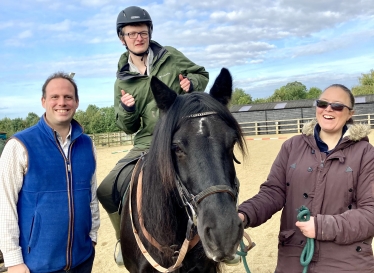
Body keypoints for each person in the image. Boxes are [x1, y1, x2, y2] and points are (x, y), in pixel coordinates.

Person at [96, 5, 209, 266]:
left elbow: (201, 74)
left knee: (212, 175)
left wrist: (192, 85)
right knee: (104, 190)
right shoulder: (122, 81)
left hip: (180, 136)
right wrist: (127, 110)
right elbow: (128, 127)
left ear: (149, 33)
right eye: (132, 33)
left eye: (143, 33)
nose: (139, 37)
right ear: (122, 38)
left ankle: (221, 238)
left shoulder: (171, 56)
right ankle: (123, 242)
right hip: (146, 142)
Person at [238, 84, 374, 272]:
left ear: (350, 113)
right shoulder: (291, 146)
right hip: (294, 257)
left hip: (347, 261)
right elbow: (273, 192)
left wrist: (323, 227)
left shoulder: (366, 154)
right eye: (322, 103)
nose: (328, 109)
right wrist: (244, 214)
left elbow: (370, 213)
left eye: (337, 106)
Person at [0, 72, 100, 273]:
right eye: (55, 97)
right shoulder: (19, 145)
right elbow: (4, 204)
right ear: (43, 101)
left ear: (77, 102)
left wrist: (93, 237)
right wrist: (13, 260)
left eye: (68, 97)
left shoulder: (87, 145)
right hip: (36, 266)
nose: (61, 102)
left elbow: (92, 196)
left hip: (82, 260)